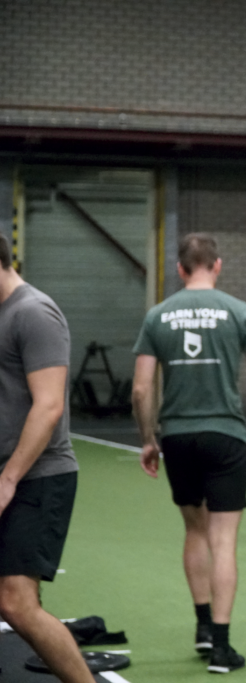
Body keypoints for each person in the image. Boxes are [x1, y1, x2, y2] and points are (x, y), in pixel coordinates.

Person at [132, 233, 246, 674]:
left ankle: (203, 627)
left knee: (195, 530)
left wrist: (148, 437)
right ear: (218, 265)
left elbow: (141, 388)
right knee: (224, 540)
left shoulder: (158, 315)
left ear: (182, 269)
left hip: (179, 436)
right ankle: (223, 648)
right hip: (225, 435)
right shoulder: (237, 311)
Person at [0, 235, 94, 682]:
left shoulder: (33, 313)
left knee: (17, 603)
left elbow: (49, 405)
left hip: (38, 476)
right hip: (8, 475)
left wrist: (9, 478)